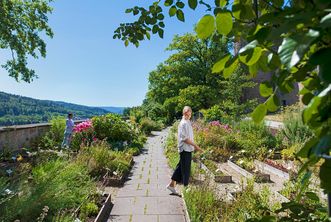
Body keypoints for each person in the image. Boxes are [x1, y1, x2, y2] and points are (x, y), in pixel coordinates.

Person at [167, 106, 203, 194]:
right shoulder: (183, 123)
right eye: (186, 113)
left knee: (180, 167)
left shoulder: (187, 122)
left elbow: (189, 136)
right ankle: (186, 189)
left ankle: (171, 185)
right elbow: (185, 139)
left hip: (188, 148)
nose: (188, 114)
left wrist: (193, 146)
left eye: (189, 113)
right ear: (183, 113)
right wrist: (196, 146)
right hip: (185, 149)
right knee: (186, 169)